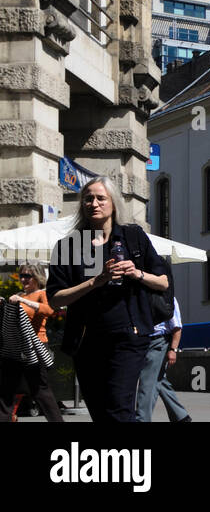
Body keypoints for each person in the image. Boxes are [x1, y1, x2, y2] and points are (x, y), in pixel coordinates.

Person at [47, 177, 169, 422]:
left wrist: (137, 273)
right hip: (86, 340)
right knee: (101, 413)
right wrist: (96, 280)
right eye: (88, 198)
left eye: (101, 198)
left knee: (119, 410)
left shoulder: (133, 237)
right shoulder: (69, 245)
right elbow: (55, 299)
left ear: (113, 203)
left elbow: (163, 282)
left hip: (128, 336)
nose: (94, 203)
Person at [0, 265, 63, 421]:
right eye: (21, 275)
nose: (23, 279)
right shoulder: (20, 294)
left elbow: (49, 310)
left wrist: (21, 300)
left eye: (27, 276)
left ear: (38, 277)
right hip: (16, 347)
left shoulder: (42, 293)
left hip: (36, 347)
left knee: (40, 390)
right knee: (6, 389)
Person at [135, 271, 191, 422]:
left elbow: (177, 327)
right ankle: (181, 417)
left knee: (147, 383)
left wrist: (173, 349)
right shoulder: (144, 296)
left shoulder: (168, 298)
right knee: (159, 380)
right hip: (145, 341)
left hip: (158, 342)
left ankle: (141, 419)